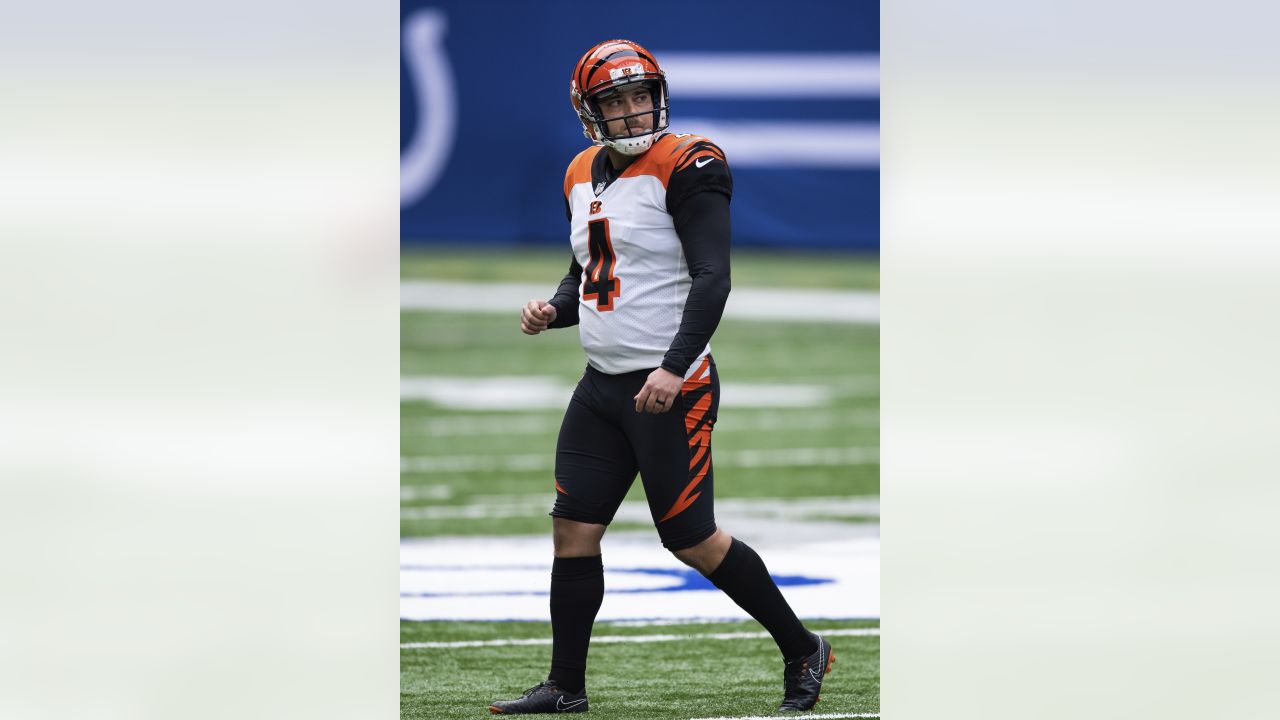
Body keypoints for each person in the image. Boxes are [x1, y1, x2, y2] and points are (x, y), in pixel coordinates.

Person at [488, 39, 833, 715]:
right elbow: (590, 273)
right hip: (602, 385)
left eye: (641, 95)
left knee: (692, 541)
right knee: (573, 529)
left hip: (669, 387)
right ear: (590, 112)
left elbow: (713, 278)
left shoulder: (689, 162)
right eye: (615, 100)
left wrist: (674, 368)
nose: (632, 109)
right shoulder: (579, 172)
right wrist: (554, 308)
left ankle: (802, 647)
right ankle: (566, 686)